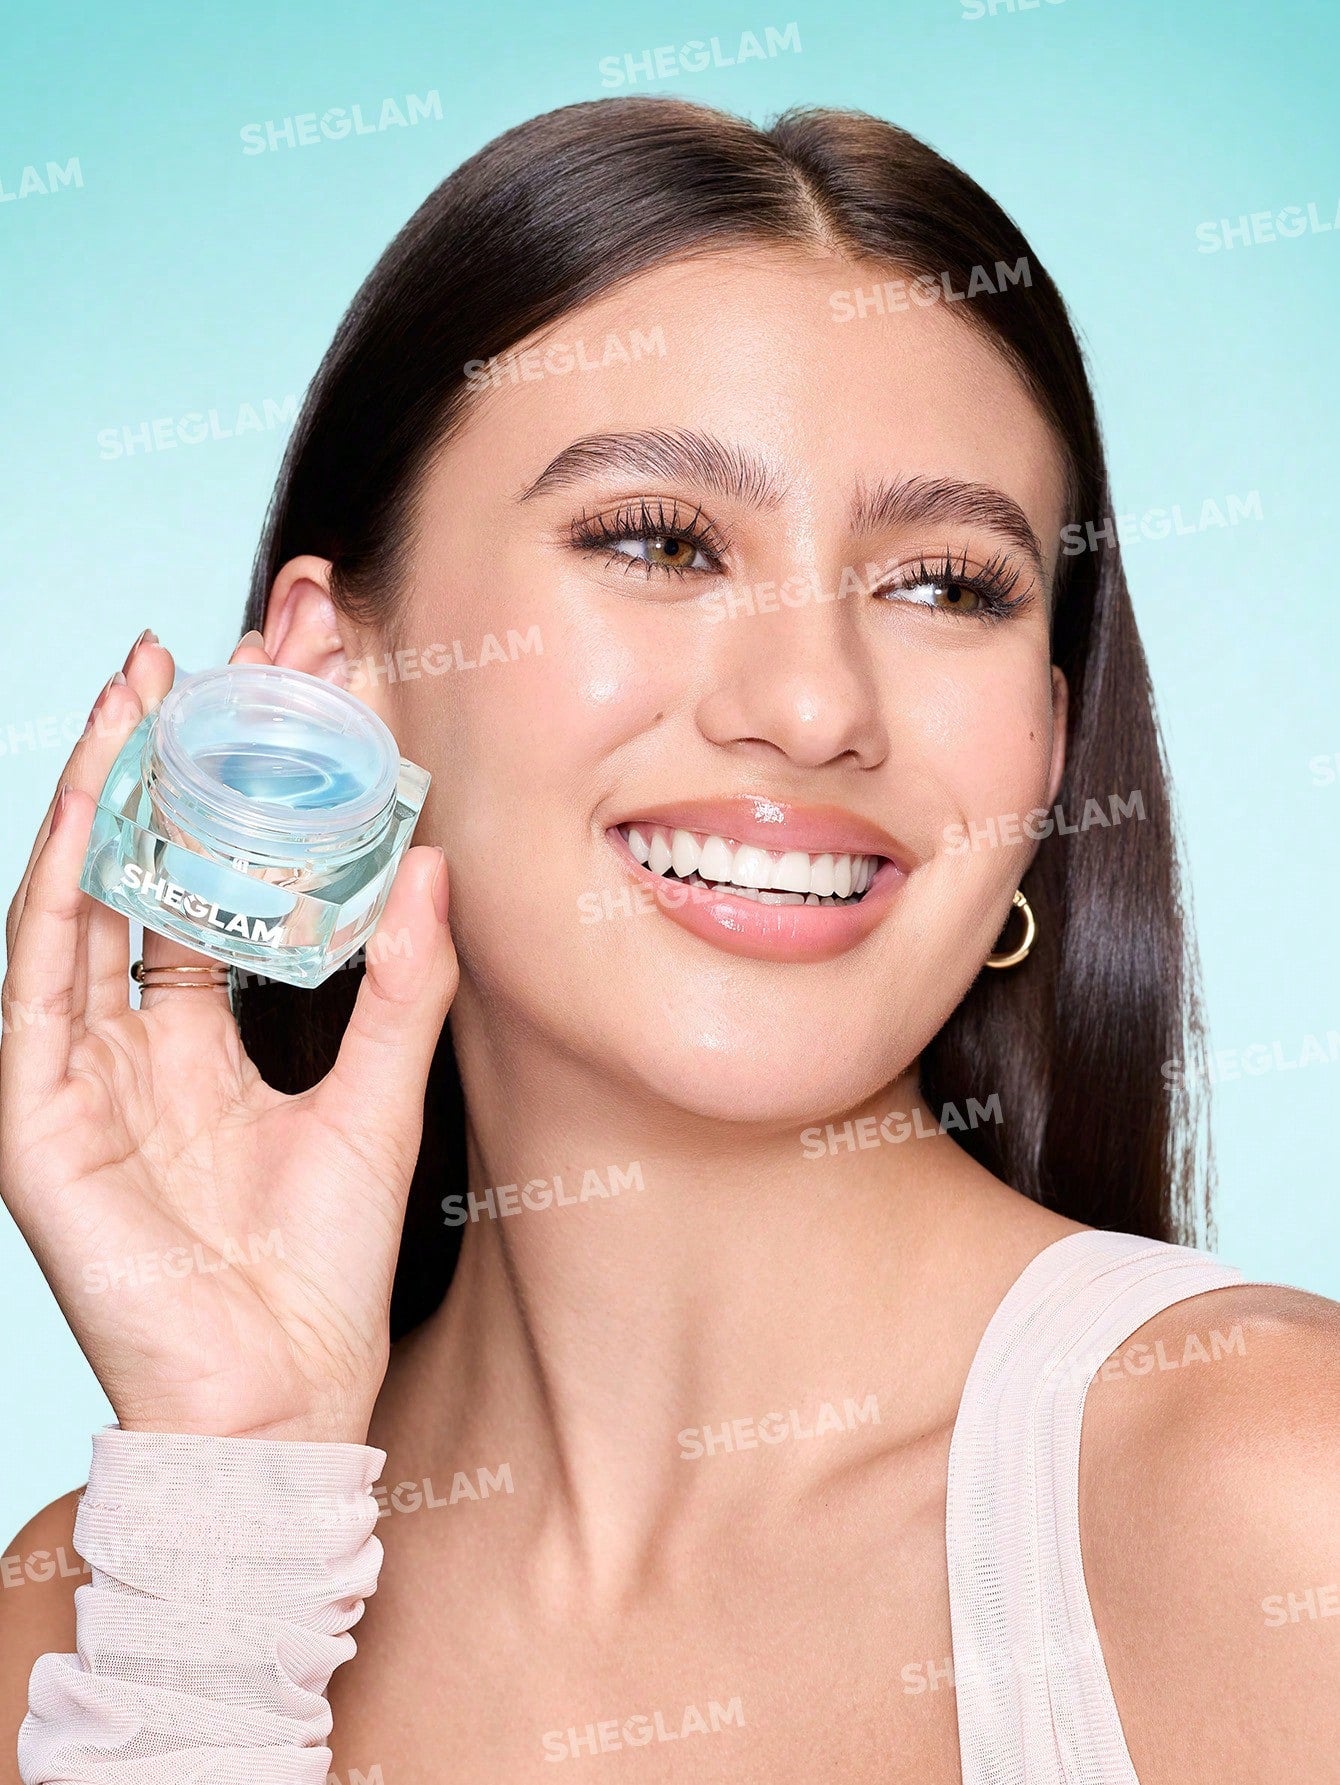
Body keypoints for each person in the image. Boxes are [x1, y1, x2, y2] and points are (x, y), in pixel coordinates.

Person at [2, 96, 1337, 1784]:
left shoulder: (1279, 1505)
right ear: (337, 676)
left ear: (1048, 750)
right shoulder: (110, 1607)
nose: (815, 704)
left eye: (946, 584)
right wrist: (232, 1496)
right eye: (659, 541)